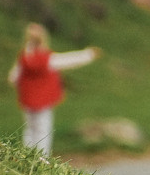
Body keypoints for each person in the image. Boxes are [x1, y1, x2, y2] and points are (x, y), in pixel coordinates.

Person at [7, 22, 100, 156]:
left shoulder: (24, 58)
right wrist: (88, 54)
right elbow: (69, 60)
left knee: (29, 128)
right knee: (43, 130)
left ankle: (26, 155)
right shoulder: (47, 59)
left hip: (28, 99)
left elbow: (13, 77)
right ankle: (42, 159)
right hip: (44, 100)